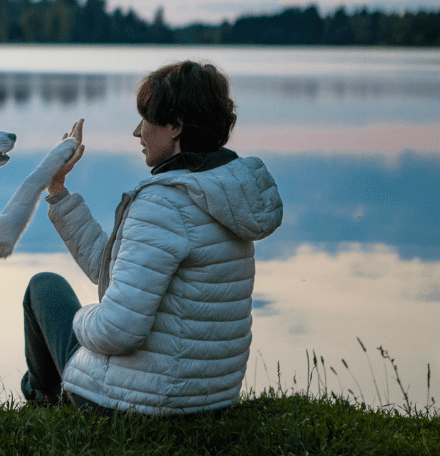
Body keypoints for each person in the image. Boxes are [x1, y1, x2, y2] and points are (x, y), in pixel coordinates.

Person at [21, 60, 283, 415]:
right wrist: (58, 190)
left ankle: (41, 397)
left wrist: (80, 319)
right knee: (58, 295)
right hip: (211, 401)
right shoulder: (224, 196)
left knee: (44, 287)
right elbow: (111, 268)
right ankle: (48, 393)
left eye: (146, 119)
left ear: (175, 126)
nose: (136, 132)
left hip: (143, 404)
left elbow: (117, 330)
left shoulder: (163, 203)